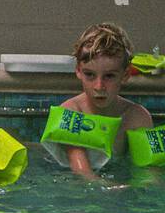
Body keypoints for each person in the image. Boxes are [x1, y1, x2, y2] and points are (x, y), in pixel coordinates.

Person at [40, 23, 152, 181]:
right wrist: (108, 188)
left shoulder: (136, 118)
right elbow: (82, 171)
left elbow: (148, 169)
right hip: (73, 184)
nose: (99, 86)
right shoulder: (70, 112)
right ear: (78, 71)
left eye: (109, 76)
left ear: (125, 74)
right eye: (90, 75)